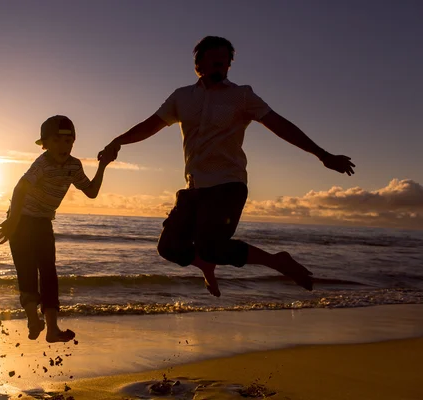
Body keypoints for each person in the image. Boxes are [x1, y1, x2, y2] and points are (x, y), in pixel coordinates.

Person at [99, 36, 355, 296]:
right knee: (169, 248)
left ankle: (277, 260)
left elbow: (281, 125)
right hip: (195, 186)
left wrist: (322, 154)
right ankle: (206, 265)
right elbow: (150, 124)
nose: (221, 66)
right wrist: (118, 141)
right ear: (199, 65)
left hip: (227, 184)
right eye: (214, 61)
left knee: (212, 245)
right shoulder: (181, 97)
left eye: (226, 62)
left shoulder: (241, 95)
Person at [0, 115, 114, 342]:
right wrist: (12, 221)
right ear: (45, 144)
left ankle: (51, 329)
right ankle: (32, 320)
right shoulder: (43, 164)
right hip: (21, 221)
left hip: (42, 223)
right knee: (27, 272)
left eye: (69, 142)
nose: (64, 146)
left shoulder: (73, 166)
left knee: (49, 273)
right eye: (57, 141)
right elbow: (20, 189)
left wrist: (103, 165)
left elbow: (91, 191)